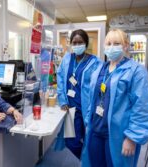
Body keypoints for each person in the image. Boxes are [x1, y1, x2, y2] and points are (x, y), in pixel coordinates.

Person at [81, 29, 148, 167]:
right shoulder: (100, 69)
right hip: (95, 131)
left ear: (126, 45)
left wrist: (132, 137)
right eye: (108, 43)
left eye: (116, 43)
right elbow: (92, 99)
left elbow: (143, 107)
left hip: (118, 135)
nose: (111, 47)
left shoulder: (136, 72)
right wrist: (88, 122)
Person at [56, 29, 102, 159]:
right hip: (71, 109)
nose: (77, 45)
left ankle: (90, 161)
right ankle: (86, 160)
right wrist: (62, 100)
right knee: (71, 142)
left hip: (87, 108)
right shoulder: (66, 59)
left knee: (90, 141)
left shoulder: (95, 62)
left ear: (86, 44)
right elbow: (60, 78)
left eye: (80, 42)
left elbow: (99, 85)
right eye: (74, 43)